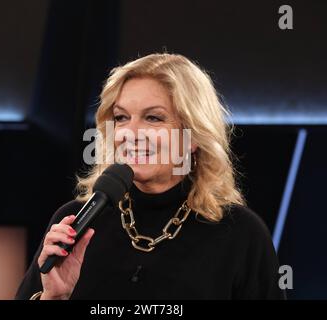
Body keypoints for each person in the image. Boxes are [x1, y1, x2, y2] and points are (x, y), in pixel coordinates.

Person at [16, 53, 285, 300]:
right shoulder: (75, 222)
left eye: (153, 118)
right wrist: (53, 297)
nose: (131, 133)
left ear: (192, 136)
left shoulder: (241, 235)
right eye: (121, 118)